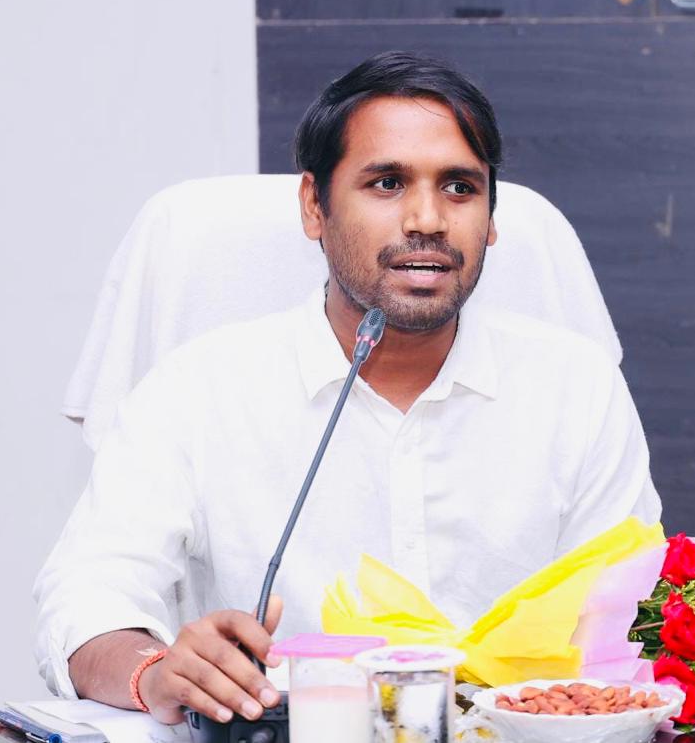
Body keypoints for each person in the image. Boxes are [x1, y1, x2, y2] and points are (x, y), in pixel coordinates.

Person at [34, 51, 661, 726]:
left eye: (459, 187)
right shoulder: (197, 390)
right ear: (314, 206)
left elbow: (633, 620)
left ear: (491, 217)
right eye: (388, 183)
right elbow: (87, 600)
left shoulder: (577, 388)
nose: (427, 219)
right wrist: (154, 672)